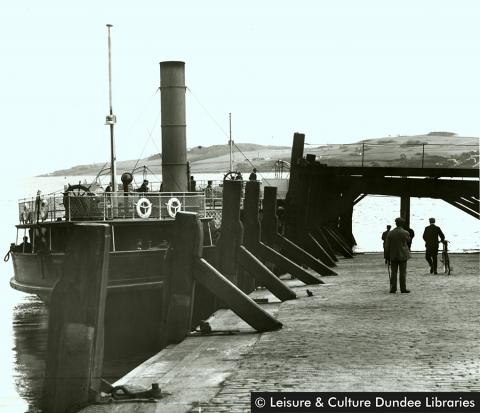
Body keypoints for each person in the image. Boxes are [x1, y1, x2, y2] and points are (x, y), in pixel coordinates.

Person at [384, 217, 411, 293]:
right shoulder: (405, 232)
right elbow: (409, 241)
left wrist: (386, 256)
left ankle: (393, 288)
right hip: (403, 255)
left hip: (393, 255)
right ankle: (403, 289)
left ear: (396, 223)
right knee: (403, 272)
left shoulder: (390, 233)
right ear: (402, 224)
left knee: (393, 272)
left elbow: (387, 246)